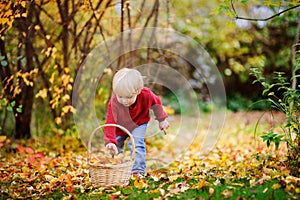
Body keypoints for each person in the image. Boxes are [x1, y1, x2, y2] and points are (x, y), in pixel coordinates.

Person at [104, 68, 170, 178]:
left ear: (138, 91)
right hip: (120, 126)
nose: (124, 101)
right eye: (120, 97)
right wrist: (110, 141)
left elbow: (157, 103)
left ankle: (137, 171)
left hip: (139, 123)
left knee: (136, 143)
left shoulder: (146, 94)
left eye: (129, 97)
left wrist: (162, 119)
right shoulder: (114, 102)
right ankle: (114, 169)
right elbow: (110, 121)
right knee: (116, 146)